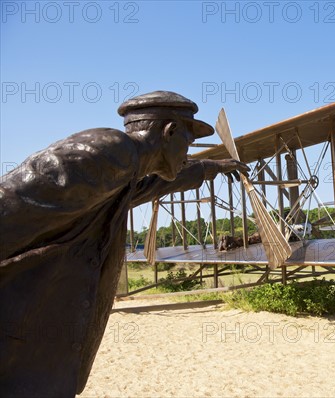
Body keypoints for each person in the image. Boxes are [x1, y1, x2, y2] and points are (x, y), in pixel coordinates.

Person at [0, 91, 249, 396]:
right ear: (169, 132)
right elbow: (11, 202)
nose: (187, 153)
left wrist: (213, 167)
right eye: (188, 141)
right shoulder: (110, 151)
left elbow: (152, 186)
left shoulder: (122, 170)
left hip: (32, 344)